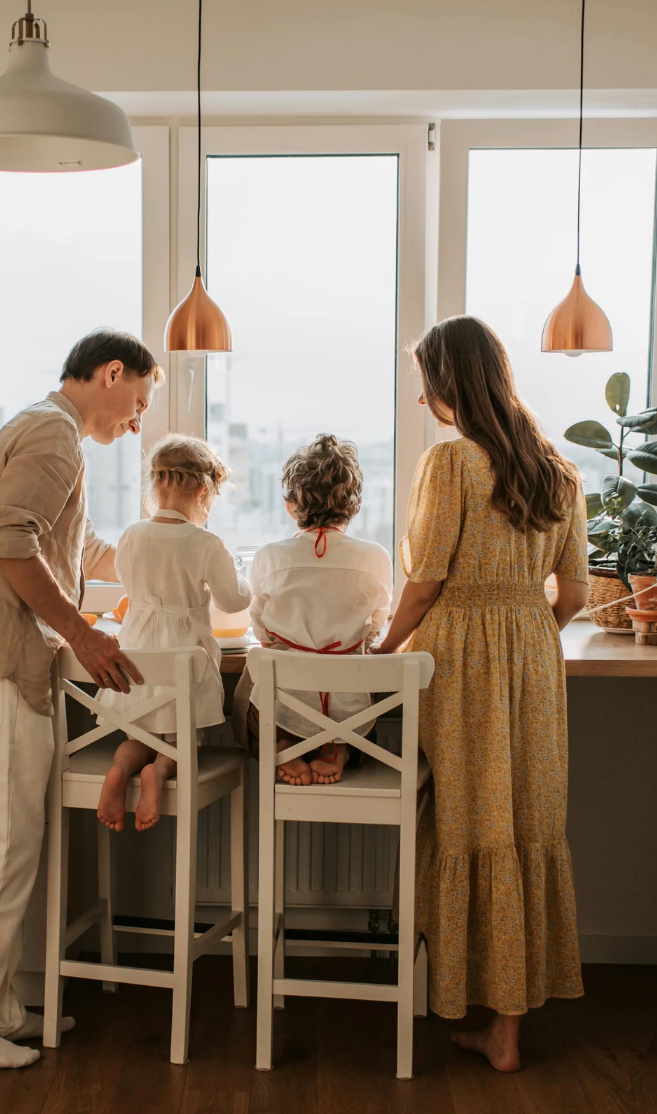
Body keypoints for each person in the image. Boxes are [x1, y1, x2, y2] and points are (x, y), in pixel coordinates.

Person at [0, 329, 163, 1069]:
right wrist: (84, 638)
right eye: (141, 401)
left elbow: (76, 550)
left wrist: (172, 554)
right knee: (0, 854)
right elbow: (11, 541)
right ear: (111, 374)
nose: (139, 420)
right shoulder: (55, 436)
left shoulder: (43, 429)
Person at [373, 316, 589, 1071]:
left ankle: (465, 1002)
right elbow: (575, 594)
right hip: (533, 659)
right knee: (524, 825)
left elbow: (425, 580)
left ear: (444, 382)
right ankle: (507, 1028)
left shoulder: (452, 464)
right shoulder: (558, 468)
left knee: (465, 823)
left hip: (459, 662)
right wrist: (527, 631)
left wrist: (382, 649)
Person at [96, 434, 251, 832]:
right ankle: (160, 771)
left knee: (138, 734)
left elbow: (130, 585)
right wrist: (247, 582)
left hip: (137, 659)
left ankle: (120, 770)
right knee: (184, 739)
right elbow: (233, 602)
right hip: (184, 657)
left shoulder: (131, 535)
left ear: (155, 485)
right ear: (203, 489)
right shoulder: (206, 543)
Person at [233, 433, 392, 785]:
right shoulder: (376, 557)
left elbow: (261, 631)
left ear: (292, 506)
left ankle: (284, 741)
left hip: (283, 704)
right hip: (349, 713)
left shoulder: (269, 557)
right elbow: (375, 626)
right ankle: (338, 746)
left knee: (251, 698)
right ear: (353, 505)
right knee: (362, 715)